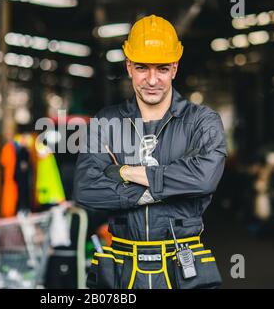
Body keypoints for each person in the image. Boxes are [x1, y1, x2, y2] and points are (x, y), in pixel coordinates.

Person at [74, 15, 227, 289]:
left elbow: (204, 178)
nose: (152, 80)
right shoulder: (105, 122)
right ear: (129, 66)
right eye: (143, 68)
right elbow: (86, 188)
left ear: (175, 68)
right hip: (121, 267)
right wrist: (166, 188)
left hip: (183, 265)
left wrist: (122, 172)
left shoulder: (203, 121)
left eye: (162, 68)